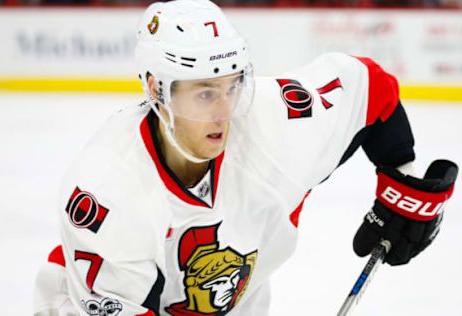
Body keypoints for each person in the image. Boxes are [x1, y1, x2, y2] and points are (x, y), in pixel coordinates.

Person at [33, 0, 458, 315]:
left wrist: (404, 180)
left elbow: (370, 89)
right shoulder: (108, 192)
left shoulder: (273, 123)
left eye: (232, 86)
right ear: (155, 89)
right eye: (203, 92)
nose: (223, 111)